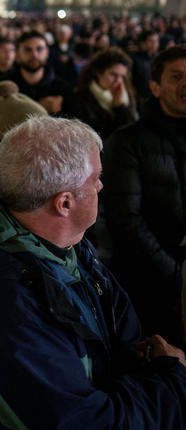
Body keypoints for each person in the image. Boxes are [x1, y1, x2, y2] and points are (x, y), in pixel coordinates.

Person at [0, 117, 186, 430]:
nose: (102, 186)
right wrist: (171, 377)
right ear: (64, 203)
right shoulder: (6, 306)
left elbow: (128, 345)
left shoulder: (61, 244)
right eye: (95, 179)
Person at [103, 46, 186, 342]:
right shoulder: (128, 141)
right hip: (151, 287)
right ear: (155, 87)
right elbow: (127, 221)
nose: (185, 84)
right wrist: (179, 280)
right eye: (176, 77)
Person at [73, 47, 139, 139]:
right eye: (114, 75)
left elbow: (133, 130)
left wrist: (120, 106)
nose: (118, 81)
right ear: (99, 73)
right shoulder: (81, 97)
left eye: (122, 76)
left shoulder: (126, 95)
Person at [10, 31, 76, 117]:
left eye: (39, 49)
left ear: (47, 53)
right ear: (18, 55)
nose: (34, 54)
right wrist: (38, 107)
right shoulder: (5, 87)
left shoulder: (62, 89)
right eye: (27, 50)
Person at [131, 29, 160, 103]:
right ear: (142, 43)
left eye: (156, 41)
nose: (154, 44)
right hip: (140, 100)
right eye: (151, 41)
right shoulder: (134, 59)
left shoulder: (159, 59)